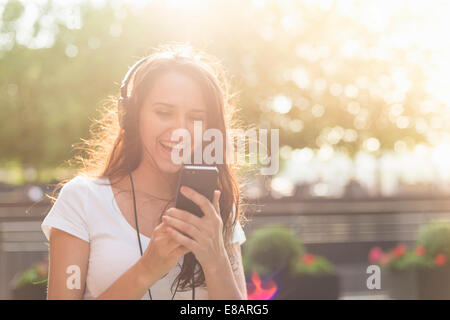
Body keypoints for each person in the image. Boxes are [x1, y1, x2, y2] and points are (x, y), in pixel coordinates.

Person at [41, 43, 247, 300]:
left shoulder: (216, 207)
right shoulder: (81, 200)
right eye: (164, 112)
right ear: (131, 116)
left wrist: (216, 260)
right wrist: (147, 269)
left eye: (195, 117)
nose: (180, 130)